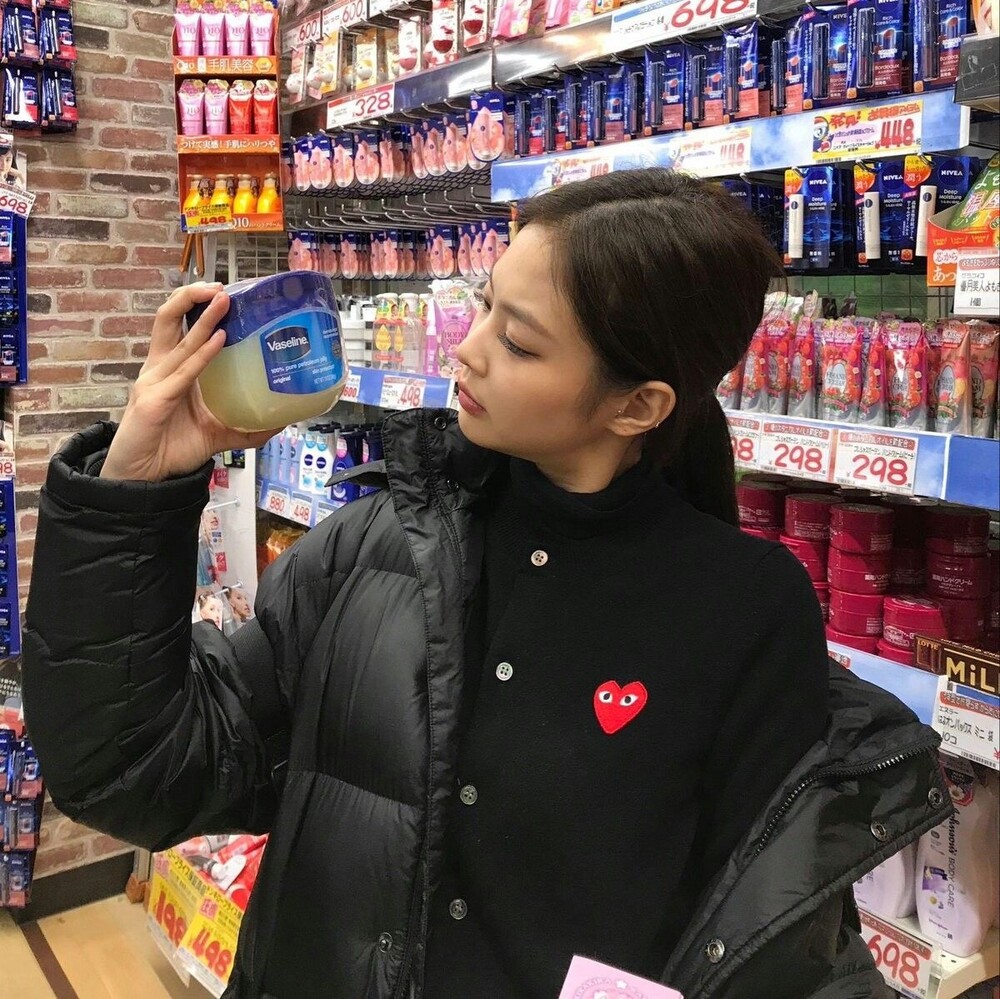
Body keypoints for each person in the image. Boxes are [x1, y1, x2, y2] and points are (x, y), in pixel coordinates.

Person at [22, 170, 947, 999]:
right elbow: (132, 772)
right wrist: (135, 489)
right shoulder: (376, 546)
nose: (466, 351)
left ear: (638, 404)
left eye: (520, 342)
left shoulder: (743, 612)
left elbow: (764, 944)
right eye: (484, 307)